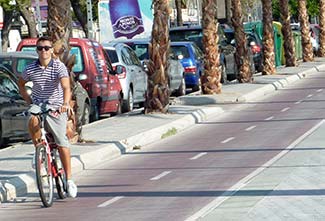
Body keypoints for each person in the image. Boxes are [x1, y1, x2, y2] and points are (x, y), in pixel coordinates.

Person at [18, 36, 77, 198]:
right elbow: (21, 83)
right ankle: (39, 151)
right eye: (40, 48)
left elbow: (66, 87)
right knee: (32, 118)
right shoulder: (30, 68)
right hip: (39, 103)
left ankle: (69, 179)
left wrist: (65, 104)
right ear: (36, 51)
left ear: (51, 50)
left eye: (46, 48)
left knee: (61, 141)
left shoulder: (59, 67)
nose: (43, 51)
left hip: (56, 105)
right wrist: (28, 100)